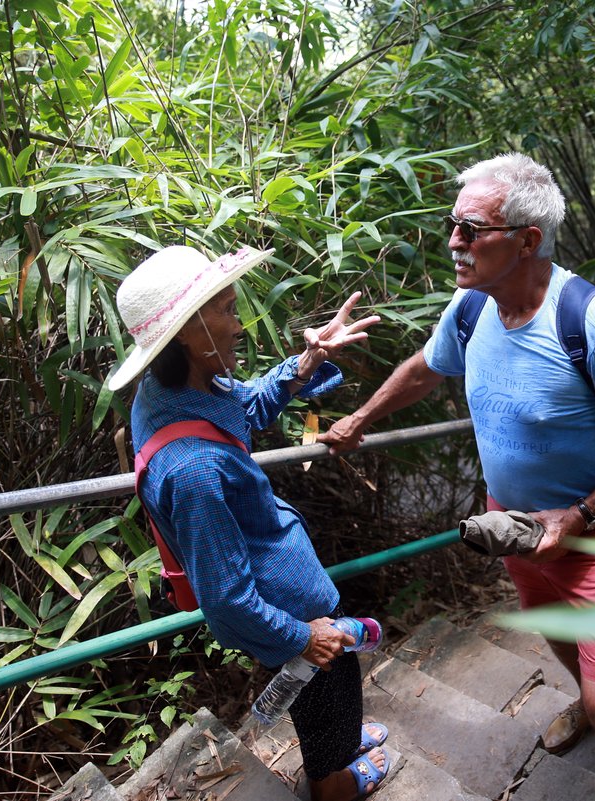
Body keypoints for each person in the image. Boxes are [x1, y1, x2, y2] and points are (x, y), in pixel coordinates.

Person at [319, 154, 595, 801]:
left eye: (470, 228)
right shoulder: (471, 308)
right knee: (557, 631)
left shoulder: (594, 325)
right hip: (511, 526)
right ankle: (584, 699)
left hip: (592, 532)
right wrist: (360, 417)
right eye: (452, 224)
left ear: (527, 240)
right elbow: (426, 368)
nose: (452, 241)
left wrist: (582, 515)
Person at [107, 244, 390, 800]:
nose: (239, 326)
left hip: (276, 574)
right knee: (330, 678)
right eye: (229, 311)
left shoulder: (178, 390)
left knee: (323, 696)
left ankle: (336, 742)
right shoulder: (190, 469)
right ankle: (332, 782)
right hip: (283, 606)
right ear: (189, 330)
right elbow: (227, 596)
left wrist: (305, 365)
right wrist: (301, 636)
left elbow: (246, 409)